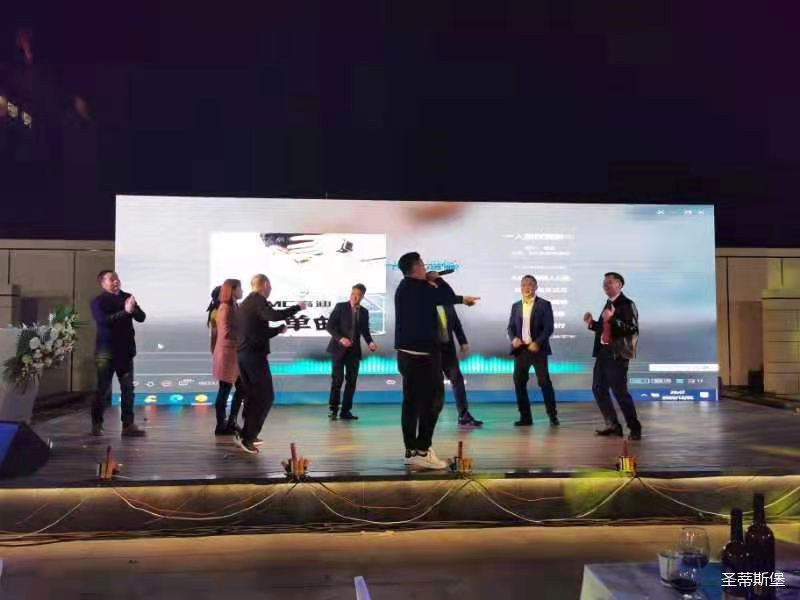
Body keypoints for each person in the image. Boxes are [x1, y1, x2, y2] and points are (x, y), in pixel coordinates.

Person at [395, 252, 479, 469]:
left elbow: (443, 299)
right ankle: (423, 450)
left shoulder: (403, 288)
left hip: (405, 355)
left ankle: (411, 451)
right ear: (416, 268)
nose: (425, 267)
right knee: (434, 401)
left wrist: (432, 281)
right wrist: (437, 279)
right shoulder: (423, 288)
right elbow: (447, 295)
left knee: (411, 403)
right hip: (424, 356)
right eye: (423, 264)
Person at [235, 274, 306, 454]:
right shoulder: (258, 300)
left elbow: (257, 332)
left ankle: (246, 433)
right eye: (270, 286)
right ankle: (248, 437)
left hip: (244, 356)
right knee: (265, 397)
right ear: (265, 285)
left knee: (253, 397)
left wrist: (277, 330)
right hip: (253, 357)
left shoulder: (247, 303)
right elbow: (273, 315)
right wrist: (297, 307)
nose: (271, 289)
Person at [583, 272, 642, 440]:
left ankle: (635, 428)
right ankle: (613, 425)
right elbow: (606, 329)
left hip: (617, 354)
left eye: (609, 282)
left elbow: (632, 329)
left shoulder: (627, 304)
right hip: (603, 353)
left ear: (619, 285)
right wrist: (592, 324)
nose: (605, 285)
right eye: (604, 283)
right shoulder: (608, 304)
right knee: (598, 389)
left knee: (620, 392)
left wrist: (612, 320)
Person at [90, 270, 146, 437]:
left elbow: (141, 317)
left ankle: (128, 425)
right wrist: (126, 312)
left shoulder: (127, 297)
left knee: (128, 389)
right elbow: (104, 321)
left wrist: (133, 309)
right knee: (103, 389)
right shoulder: (98, 301)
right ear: (103, 283)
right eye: (111, 279)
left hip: (125, 351)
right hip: (105, 352)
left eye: (117, 278)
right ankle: (97, 424)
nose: (116, 281)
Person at [506, 275, 559, 427]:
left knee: (544, 382)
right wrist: (513, 339)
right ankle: (525, 417)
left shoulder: (544, 304)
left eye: (530, 284)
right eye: (523, 285)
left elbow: (548, 328)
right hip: (521, 350)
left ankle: (552, 415)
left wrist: (537, 342)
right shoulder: (516, 306)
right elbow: (510, 327)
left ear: (536, 287)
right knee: (519, 383)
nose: (526, 287)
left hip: (537, 350)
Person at [325, 283, 377, 421]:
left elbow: (365, 331)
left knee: (351, 382)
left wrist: (370, 342)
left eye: (358, 295)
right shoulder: (340, 307)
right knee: (337, 380)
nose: (354, 297)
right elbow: (329, 326)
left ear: (362, 296)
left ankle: (345, 411)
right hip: (338, 349)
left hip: (354, 351)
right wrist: (341, 338)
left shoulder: (364, 312)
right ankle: (333, 410)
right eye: (353, 293)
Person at [434, 296, 483, 426]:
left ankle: (463, 415)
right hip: (431, 351)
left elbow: (456, 322)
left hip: (448, 349)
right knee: (432, 384)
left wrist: (463, 341)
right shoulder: (423, 301)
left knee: (457, 379)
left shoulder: (447, 301)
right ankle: (426, 416)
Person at [211, 279, 245, 435]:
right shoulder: (225, 309)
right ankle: (221, 424)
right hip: (227, 355)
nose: (242, 291)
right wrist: (246, 337)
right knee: (225, 390)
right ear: (233, 290)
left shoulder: (234, 306)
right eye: (240, 288)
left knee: (241, 388)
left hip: (234, 355)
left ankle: (231, 421)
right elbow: (227, 334)